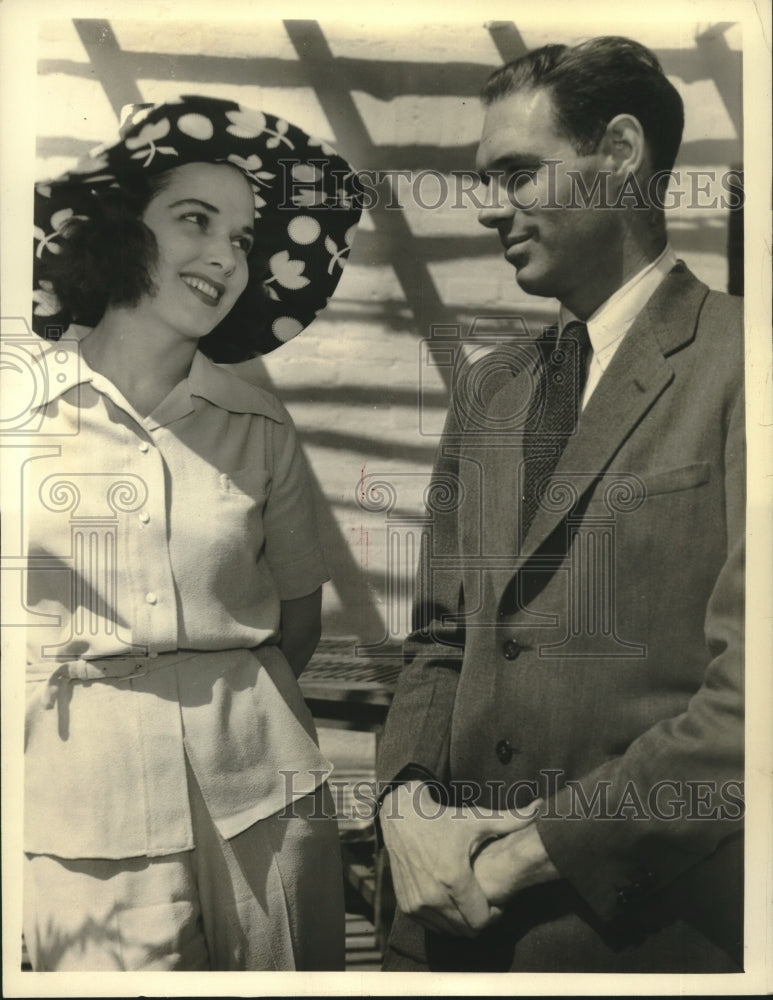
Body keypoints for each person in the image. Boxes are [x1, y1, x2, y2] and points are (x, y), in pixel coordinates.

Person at [376, 36, 744, 972]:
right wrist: (407, 808)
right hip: (449, 929)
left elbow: (752, 705)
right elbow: (439, 638)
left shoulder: (745, 364)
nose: (489, 207)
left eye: (517, 172)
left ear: (619, 153)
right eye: (481, 180)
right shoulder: (491, 389)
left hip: (640, 936)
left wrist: (516, 863)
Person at [24, 94, 361, 971]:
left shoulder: (256, 426)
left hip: (263, 798)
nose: (223, 255)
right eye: (194, 219)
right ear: (118, 230)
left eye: (243, 238)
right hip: (78, 814)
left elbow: (297, 622)